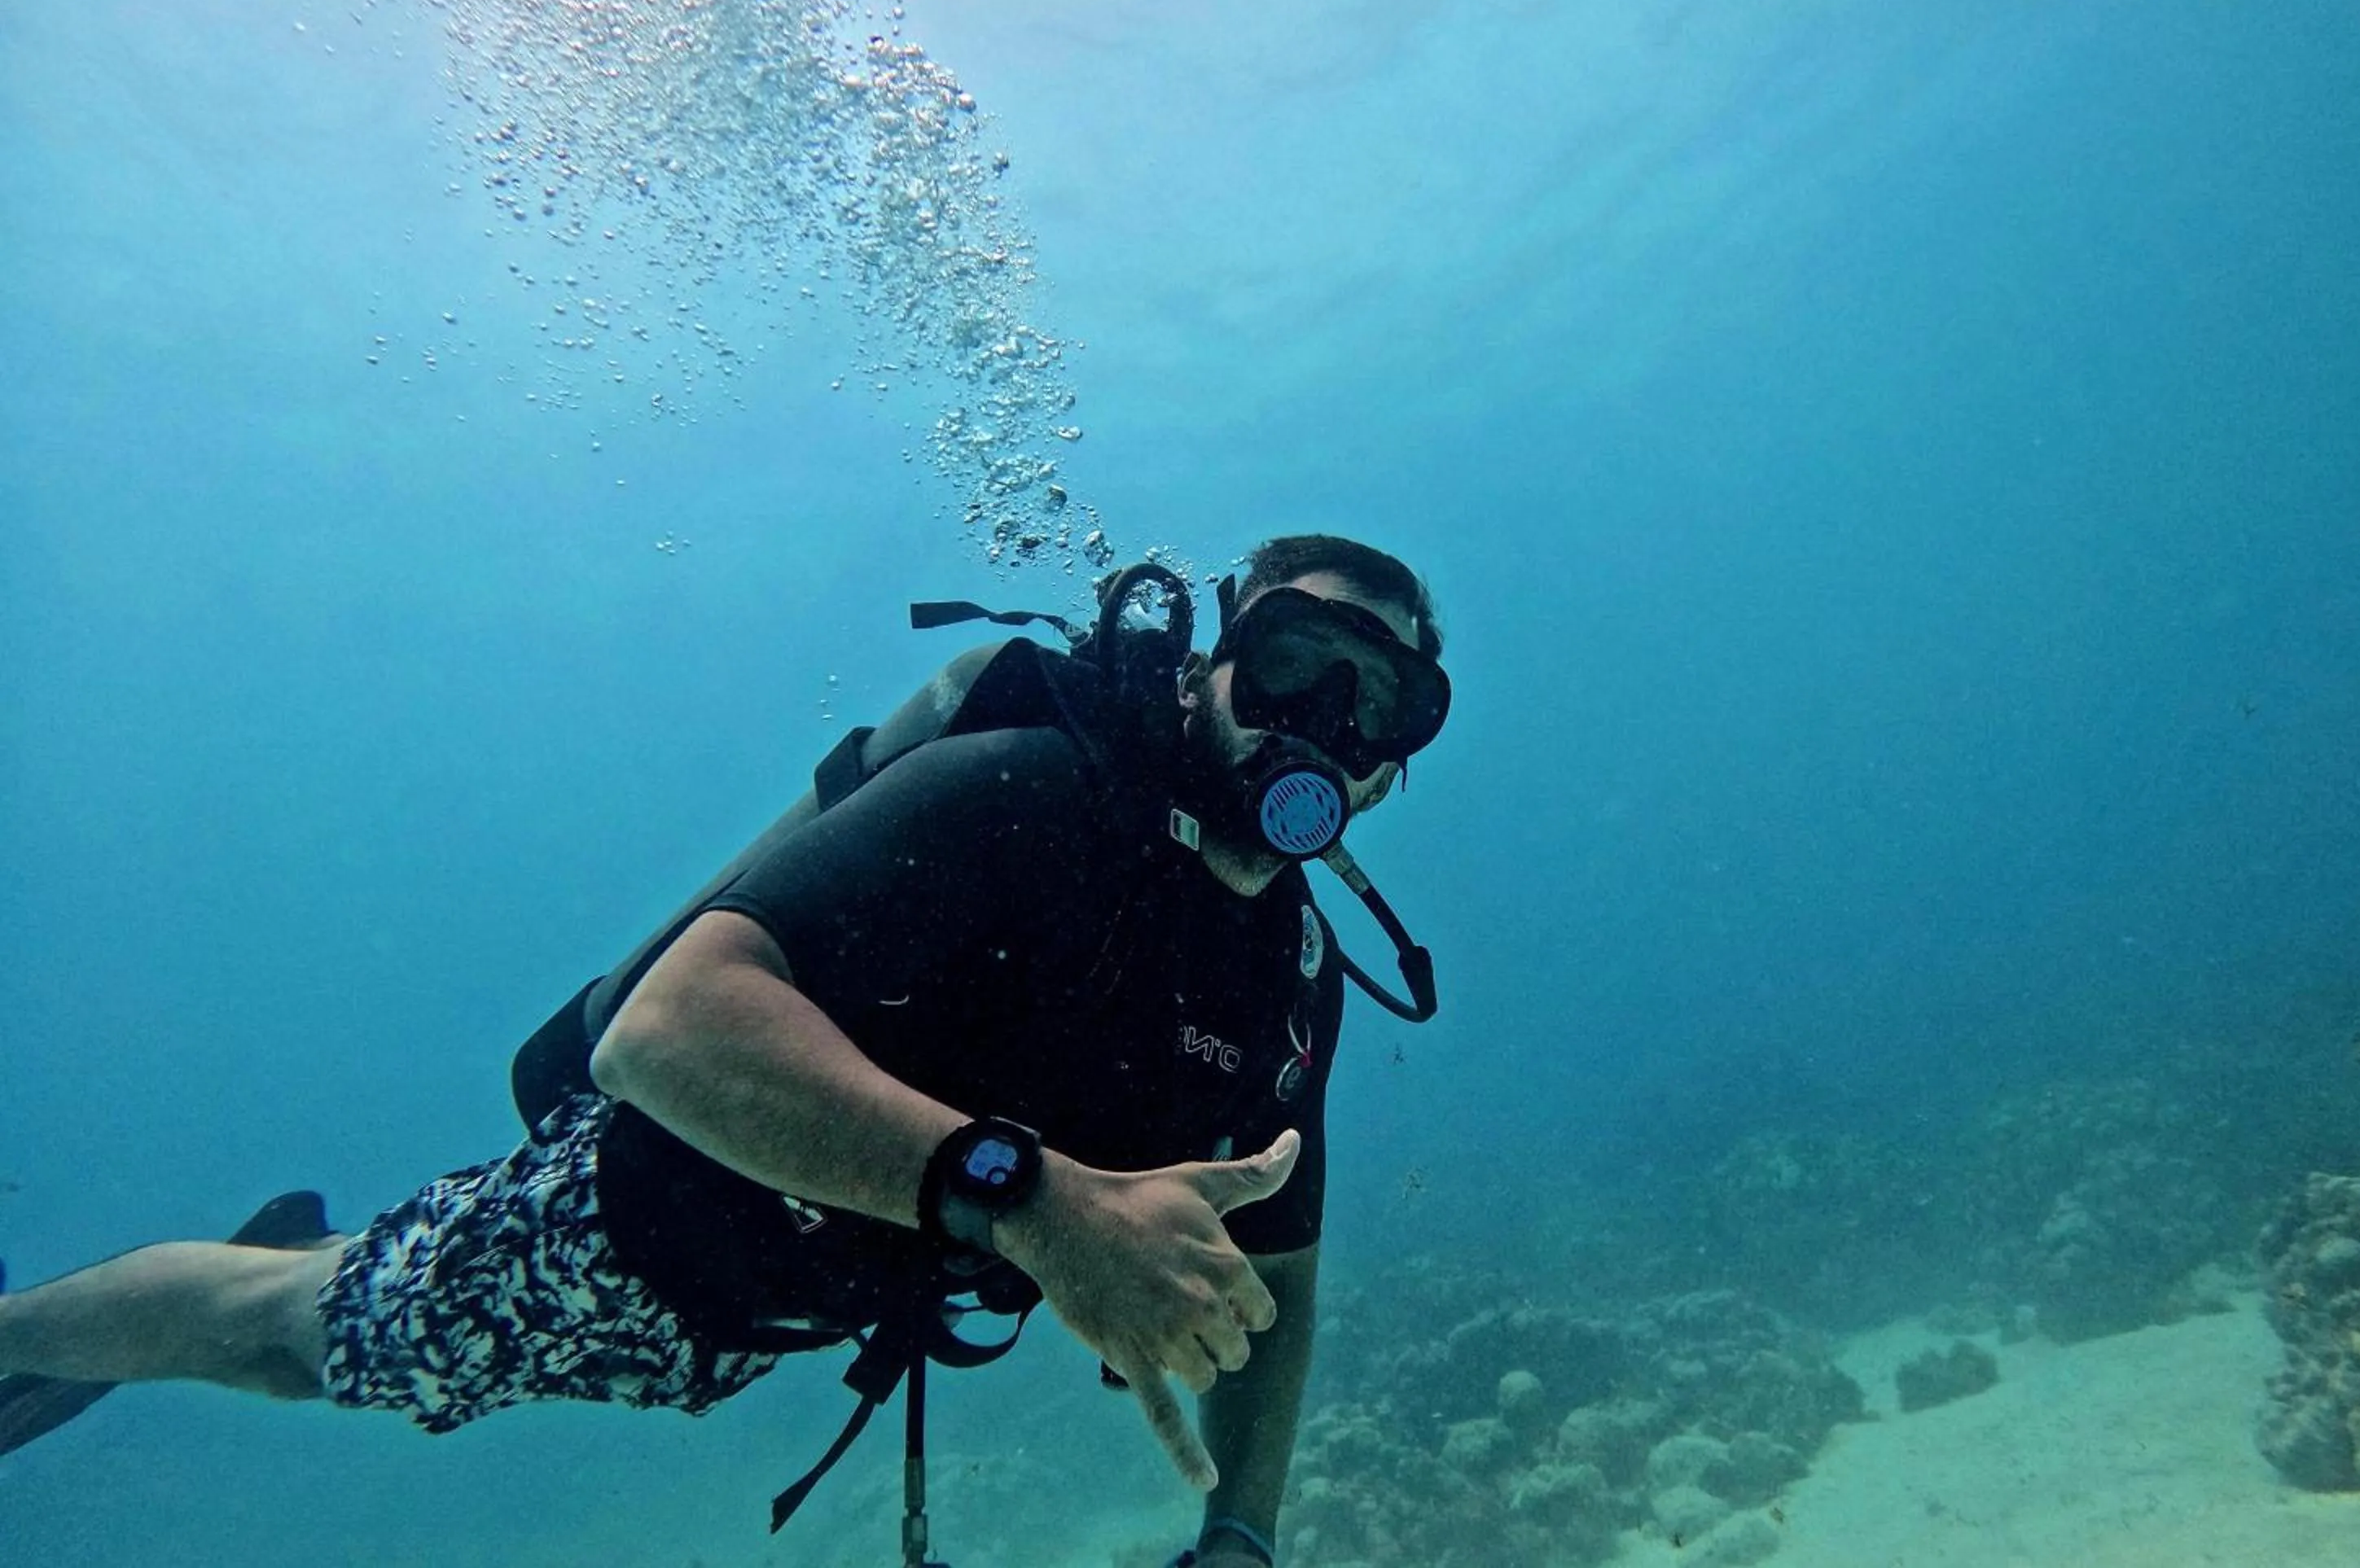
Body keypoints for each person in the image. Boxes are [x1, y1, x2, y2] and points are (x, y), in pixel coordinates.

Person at [0, 532, 1450, 1568]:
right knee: (287, 1341)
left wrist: (1240, 1540)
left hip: (783, 1312)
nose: (1321, 729)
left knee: (310, 1331)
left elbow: (1283, 1275)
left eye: (1377, 704)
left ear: (1394, 763)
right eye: (1294, 664)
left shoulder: (1291, 975)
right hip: (640, 1215)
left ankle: (293, 1260)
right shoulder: (1029, 791)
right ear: (1209, 662)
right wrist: (1041, 1205)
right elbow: (666, 1025)